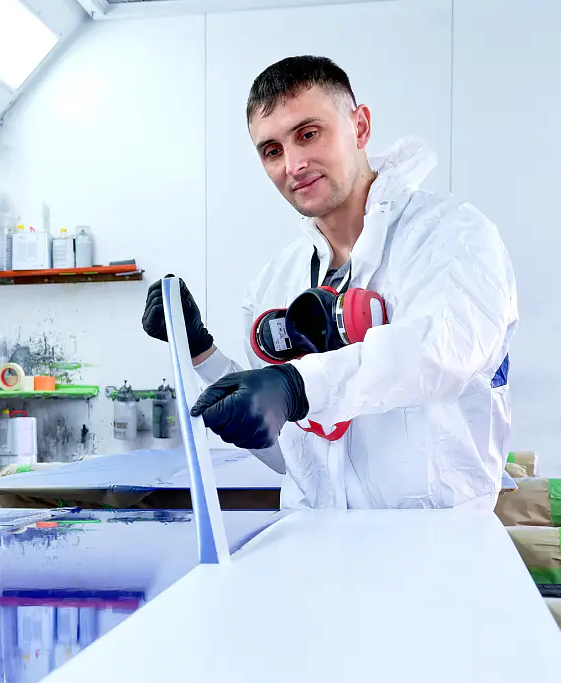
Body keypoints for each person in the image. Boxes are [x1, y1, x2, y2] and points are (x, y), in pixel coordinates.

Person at [141, 56, 517, 510]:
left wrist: (298, 386)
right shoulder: (274, 283)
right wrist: (201, 351)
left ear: (359, 127)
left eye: (308, 134)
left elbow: (438, 353)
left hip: (433, 553)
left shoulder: (450, 236)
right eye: (272, 150)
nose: (294, 164)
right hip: (314, 552)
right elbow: (291, 456)